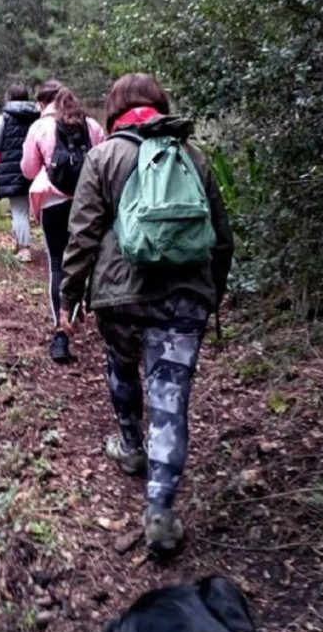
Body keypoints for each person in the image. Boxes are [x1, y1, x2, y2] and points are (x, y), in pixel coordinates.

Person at [59, 72, 234, 553]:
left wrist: (68, 299)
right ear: (162, 105)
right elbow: (221, 238)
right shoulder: (193, 157)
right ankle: (160, 510)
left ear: (113, 112)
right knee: (170, 395)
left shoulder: (104, 156)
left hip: (120, 297)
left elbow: (82, 237)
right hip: (185, 299)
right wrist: (210, 294)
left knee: (121, 365)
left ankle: (131, 445)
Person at [21, 79, 106, 364]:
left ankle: (61, 334)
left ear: (44, 102)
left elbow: (29, 169)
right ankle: (91, 316)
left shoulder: (39, 127)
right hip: (87, 203)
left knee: (58, 263)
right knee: (87, 259)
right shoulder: (92, 125)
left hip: (53, 202)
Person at [0, 82, 39, 261]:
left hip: (12, 168)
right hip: (36, 168)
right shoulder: (37, 116)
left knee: (19, 210)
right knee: (30, 210)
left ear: (9, 97)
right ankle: (20, 244)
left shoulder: (4, 118)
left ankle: (24, 249)